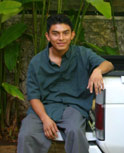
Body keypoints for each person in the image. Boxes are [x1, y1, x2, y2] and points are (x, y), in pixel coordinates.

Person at [17, 14, 114, 153]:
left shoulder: (82, 54)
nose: (61, 38)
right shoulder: (37, 62)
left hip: (74, 106)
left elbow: (108, 64)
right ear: (48, 36)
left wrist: (97, 70)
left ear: (72, 35)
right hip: (44, 108)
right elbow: (34, 96)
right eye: (55, 34)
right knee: (26, 135)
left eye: (65, 33)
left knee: (75, 131)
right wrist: (45, 119)